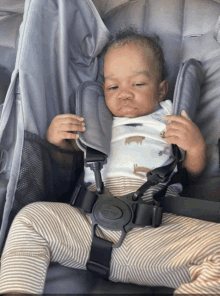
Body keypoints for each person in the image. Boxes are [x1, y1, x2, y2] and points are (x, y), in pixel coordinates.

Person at [1, 28, 220, 296]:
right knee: (30, 219)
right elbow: (65, 170)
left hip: (154, 234)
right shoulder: (96, 121)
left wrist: (195, 146)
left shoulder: (171, 117)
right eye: (113, 87)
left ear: (162, 89)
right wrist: (57, 142)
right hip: (89, 222)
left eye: (138, 84)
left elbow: (192, 175)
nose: (124, 94)